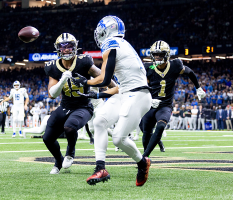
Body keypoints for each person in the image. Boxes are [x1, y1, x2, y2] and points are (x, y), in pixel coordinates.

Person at [72, 16, 152, 186]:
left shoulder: (111, 44)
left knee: (118, 138)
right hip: (127, 92)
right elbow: (119, 85)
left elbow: (104, 79)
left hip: (137, 94)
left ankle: (142, 162)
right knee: (100, 121)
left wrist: (85, 82)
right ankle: (100, 168)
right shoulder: (123, 45)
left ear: (106, 31)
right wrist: (98, 95)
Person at [43, 32, 116, 175]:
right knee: (47, 138)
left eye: (70, 46)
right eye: (63, 47)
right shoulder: (52, 67)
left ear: (75, 47)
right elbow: (52, 94)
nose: (66, 50)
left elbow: (102, 78)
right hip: (65, 106)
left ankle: (70, 152)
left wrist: (115, 89)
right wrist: (63, 80)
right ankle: (58, 160)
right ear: (58, 49)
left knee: (70, 128)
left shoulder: (84, 61)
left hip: (83, 106)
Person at [140, 40, 205, 159]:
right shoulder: (149, 67)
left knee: (160, 127)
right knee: (146, 133)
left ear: (167, 54)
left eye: (160, 54)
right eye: (155, 54)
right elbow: (140, 85)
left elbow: (189, 72)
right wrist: (148, 98)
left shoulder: (175, 65)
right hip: (150, 105)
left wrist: (198, 87)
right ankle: (145, 161)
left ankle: (144, 157)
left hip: (165, 105)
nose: (157, 57)